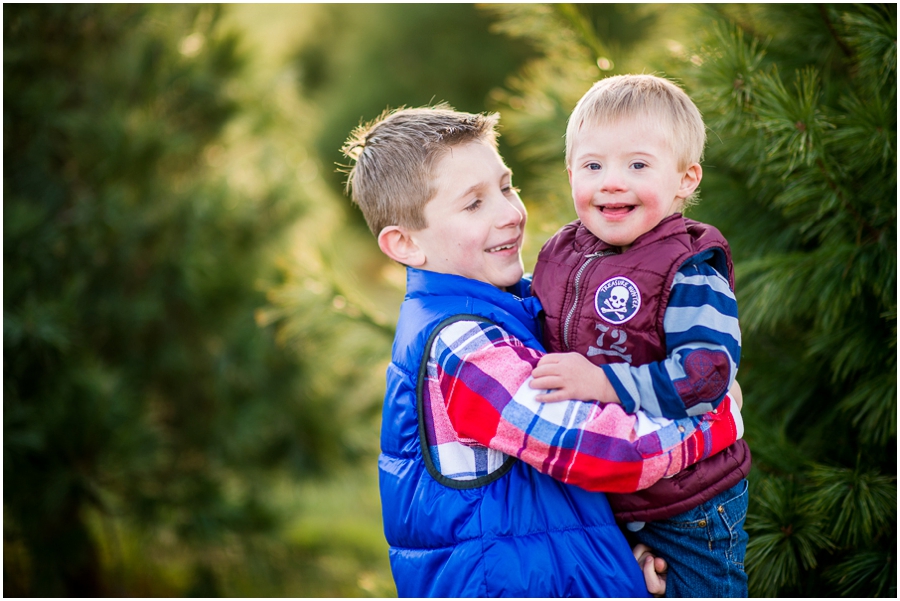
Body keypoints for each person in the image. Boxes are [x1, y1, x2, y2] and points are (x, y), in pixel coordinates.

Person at [341, 103, 746, 597]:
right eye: (473, 204)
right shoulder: (465, 348)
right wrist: (718, 420)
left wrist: (621, 555)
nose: (511, 214)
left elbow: (551, 495)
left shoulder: (512, 308)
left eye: (507, 187)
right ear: (405, 244)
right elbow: (613, 453)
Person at [530, 74, 751, 597]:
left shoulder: (689, 269)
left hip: (687, 503)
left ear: (685, 179)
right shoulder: (561, 253)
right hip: (603, 496)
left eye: (637, 165)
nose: (611, 181)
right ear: (570, 173)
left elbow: (706, 378)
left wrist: (603, 384)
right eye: (592, 165)